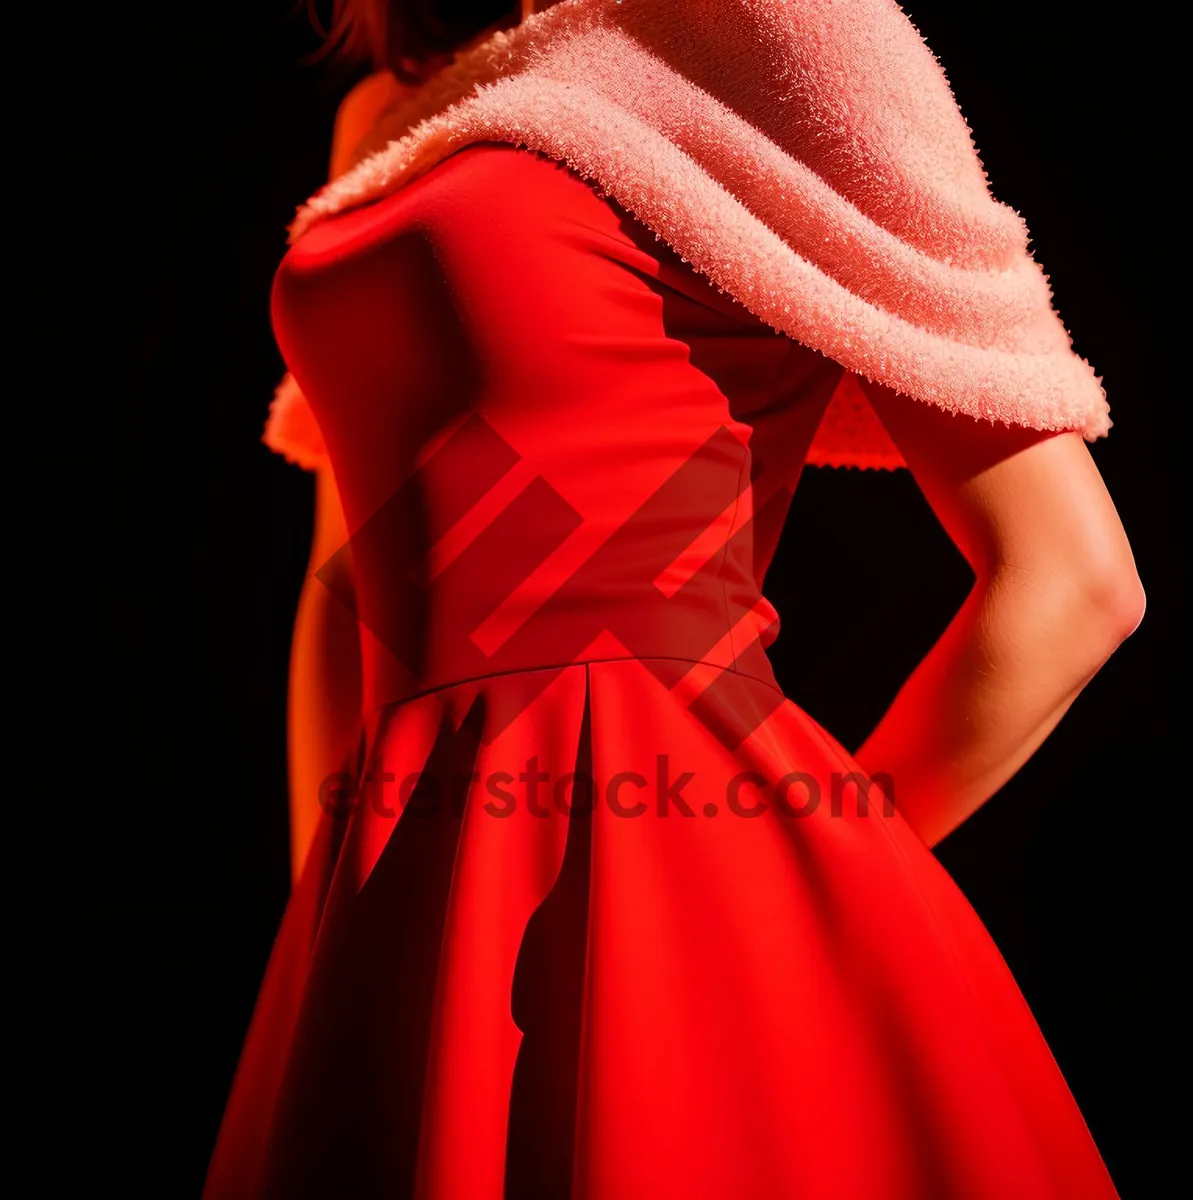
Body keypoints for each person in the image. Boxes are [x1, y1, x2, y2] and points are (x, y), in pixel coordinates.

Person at [211, 1, 1144, 1195]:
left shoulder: (783, 29)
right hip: (399, 872)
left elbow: (1074, 580)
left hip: (678, 849)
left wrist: (789, 895)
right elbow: (346, 587)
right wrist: (327, 937)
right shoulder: (393, 111)